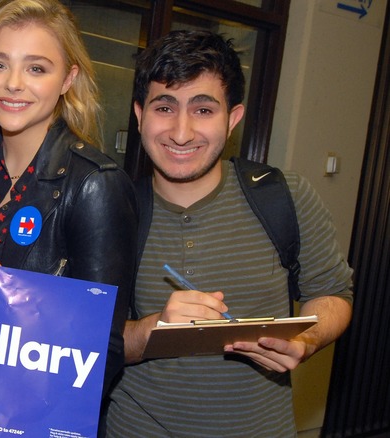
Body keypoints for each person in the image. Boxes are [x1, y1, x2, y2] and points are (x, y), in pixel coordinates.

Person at [105, 30, 354, 437]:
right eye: (164, 107)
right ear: (139, 115)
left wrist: (305, 339)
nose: (181, 132)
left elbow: (333, 295)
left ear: (233, 118)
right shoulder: (112, 210)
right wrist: (152, 329)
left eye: (203, 110)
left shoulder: (284, 196)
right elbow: (86, 340)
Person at [0, 0, 137, 436]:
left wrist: (7, 423)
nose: (14, 84)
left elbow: (101, 350)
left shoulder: (94, 183)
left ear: (67, 80)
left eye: (36, 68)